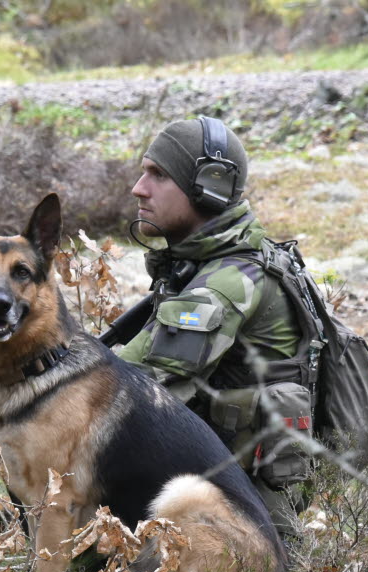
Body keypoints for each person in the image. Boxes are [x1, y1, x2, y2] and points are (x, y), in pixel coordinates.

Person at [115, 116, 309, 543]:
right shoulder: (207, 264)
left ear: (209, 188)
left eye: (158, 175)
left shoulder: (228, 283)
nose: (138, 188)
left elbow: (123, 387)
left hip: (242, 536)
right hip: (222, 500)